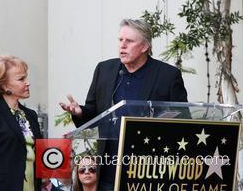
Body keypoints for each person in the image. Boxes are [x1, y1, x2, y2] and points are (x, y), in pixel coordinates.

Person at [60, 18, 188, 190]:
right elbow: (94, 112)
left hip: (147, 169)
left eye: (129, 41)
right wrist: (79, 112)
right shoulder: (104, 70)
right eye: (120, 40)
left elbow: (183, 120)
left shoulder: (167, 76)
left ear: (145, 46)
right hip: (109, 167)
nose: (122, 45)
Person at [0, 55, 42, 191]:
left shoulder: (31, 115)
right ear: (4, 85)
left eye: (26, 78)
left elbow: (37, 153)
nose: (27, 83)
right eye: (21, 79)